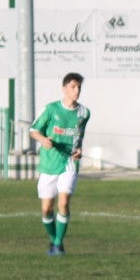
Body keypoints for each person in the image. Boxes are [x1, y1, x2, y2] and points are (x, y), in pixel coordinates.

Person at [31, 72, 90, 256]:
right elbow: (33, 129)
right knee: (46, 208)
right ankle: (53, 240)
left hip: (69, 164)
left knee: (63, 203)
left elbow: (78, 137)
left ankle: (58, 244)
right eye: (73, 87)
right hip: (49, 164)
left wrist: (79, 150)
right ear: (64, 88)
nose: (77, 90)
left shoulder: (84, 113)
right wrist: (43, 140)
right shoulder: (50, 109)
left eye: (79, 87)